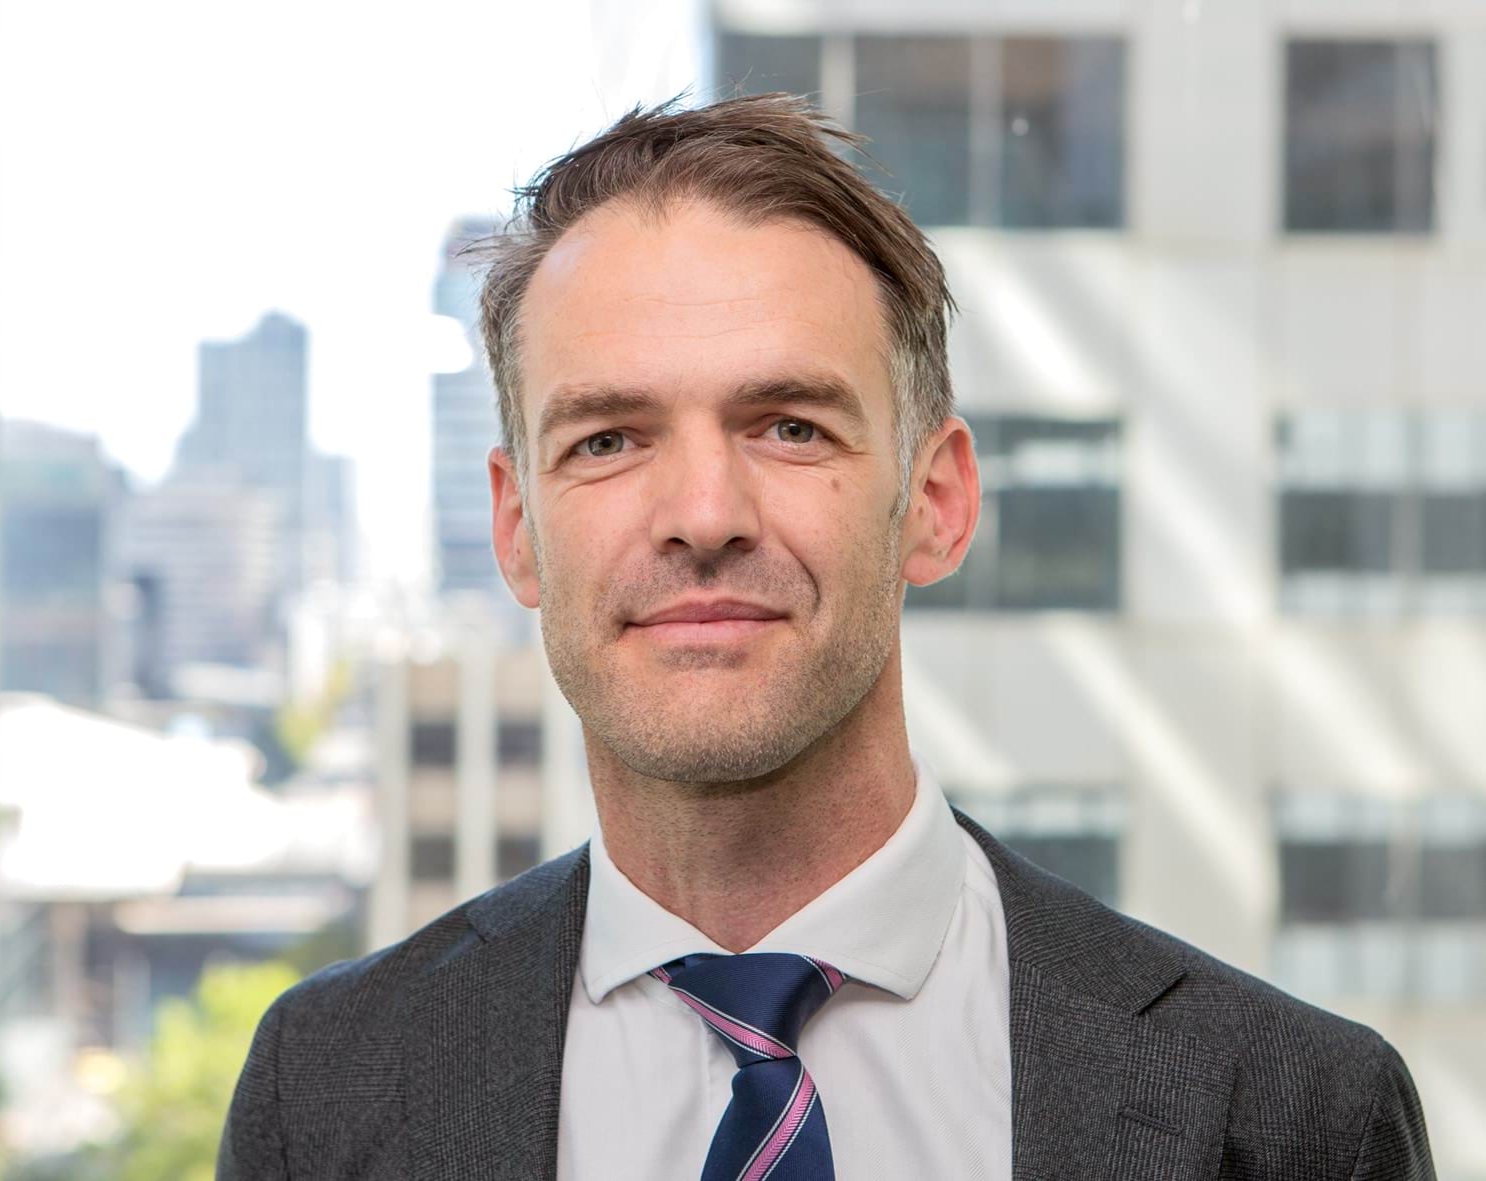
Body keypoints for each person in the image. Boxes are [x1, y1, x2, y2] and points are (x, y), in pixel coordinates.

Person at [217, 93, 1434, 1180]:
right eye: (606, 439)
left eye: (788, 426)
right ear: (515, 526)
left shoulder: (1289, 1115)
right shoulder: (324, 1088)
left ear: (936, 501)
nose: (702, 515)